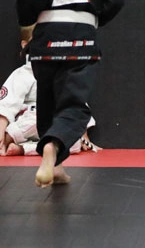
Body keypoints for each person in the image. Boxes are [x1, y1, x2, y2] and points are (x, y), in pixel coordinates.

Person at [15, 0, 125, 187]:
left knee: (47, 104)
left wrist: (28, 26)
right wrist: (92, 19)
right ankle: (51, 150)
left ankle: (55, 164)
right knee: (74, 106)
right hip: (81, 45)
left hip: (45, 45)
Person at [0, 26, 97, 157]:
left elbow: (74, 103)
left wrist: (83, 134)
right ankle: (7, 140)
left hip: (54, 125)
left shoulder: (62, 73)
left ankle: (23, 149)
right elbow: (6, 105)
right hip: (27, 124)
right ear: (25, 45)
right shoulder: (22, 74)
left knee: (74, 144)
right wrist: (2, 131)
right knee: (38, 115)